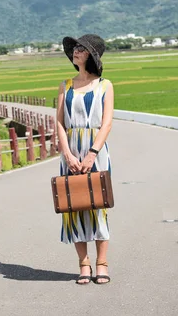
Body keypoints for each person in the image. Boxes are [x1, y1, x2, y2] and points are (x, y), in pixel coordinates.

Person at [56, 34, 114, 285]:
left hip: (96, 152)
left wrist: (92, 153)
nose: (75, 52)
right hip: (70, 151)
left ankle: (102, 263)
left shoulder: (105, 85)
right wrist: (67, 153)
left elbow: (107, 122)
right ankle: (84, 264)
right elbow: (59, 121)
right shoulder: (65, 85)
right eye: (75, 48)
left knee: (97, 205)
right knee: (73, 206)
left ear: (90, 55)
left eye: (80, 48)